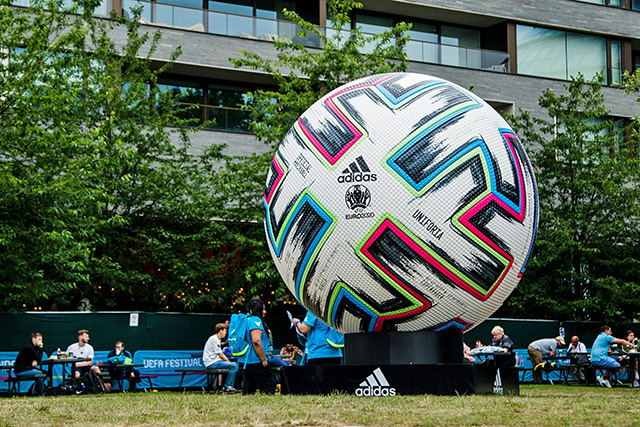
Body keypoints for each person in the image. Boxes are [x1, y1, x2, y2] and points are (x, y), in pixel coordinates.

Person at [238, 299, 276, 395]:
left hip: (245, 360)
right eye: (263, 309)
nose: (265, 312)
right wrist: (263, 359)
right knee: (269, 387)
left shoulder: (245, 319)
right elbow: (256, 341)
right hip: (256, 359)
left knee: (249, 390)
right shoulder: (256, 320)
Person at [202, 323, 238, 393]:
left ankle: (226, 386)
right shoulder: (214, 339)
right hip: (212, 363)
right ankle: (228, 386)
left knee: (232, 365)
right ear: (220, 330)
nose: (225, 333)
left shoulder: (216, 339)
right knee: (233, 365)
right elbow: (221, 355)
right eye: (225, 331)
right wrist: (228, 362)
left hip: (213, 362)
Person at [14, 332, 46, 396]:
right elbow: (38, 357)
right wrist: (41, 348)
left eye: (41, 340)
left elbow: (36, 358)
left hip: (27, 368)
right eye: (39, 339)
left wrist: (36, 360)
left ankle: (33, 391)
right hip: (21, 370)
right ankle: (42, 393)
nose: (41, 342)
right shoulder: (29, 347)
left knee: (45, 373)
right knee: (40, 374)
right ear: (33, 339)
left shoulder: (33, 348)